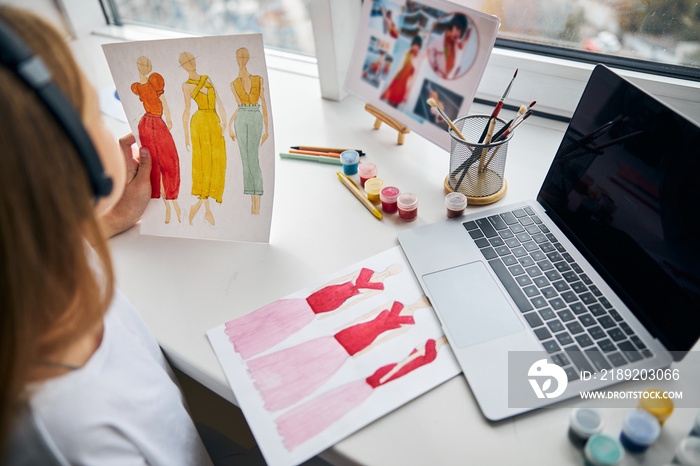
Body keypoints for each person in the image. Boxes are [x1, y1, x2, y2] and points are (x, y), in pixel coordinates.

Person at [0, 7, 214, 464]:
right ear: (69, 157)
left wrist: (111, 218)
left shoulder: (47, 260)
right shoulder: (72, 432)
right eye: (92, 109)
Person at [380, 35, 423, 109]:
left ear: (419, 47)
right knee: (392, 93)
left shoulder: (419, 57)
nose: (415, 47)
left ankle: (394, 109)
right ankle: (387, 108)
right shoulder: (407, 52)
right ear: (412, 44)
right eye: (414, 44)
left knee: (399, 97)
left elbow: (416, 70)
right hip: (400, 76)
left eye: (417, 45)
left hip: (407, 79)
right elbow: (400, 64)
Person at [427, 13, 471, 79]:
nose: (458, 34)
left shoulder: (454, 43)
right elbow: (430, 68)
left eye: (461, 32)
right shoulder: (435, 43)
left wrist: (467, 36)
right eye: (457, 28)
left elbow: (460, 46)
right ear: (452, 25)